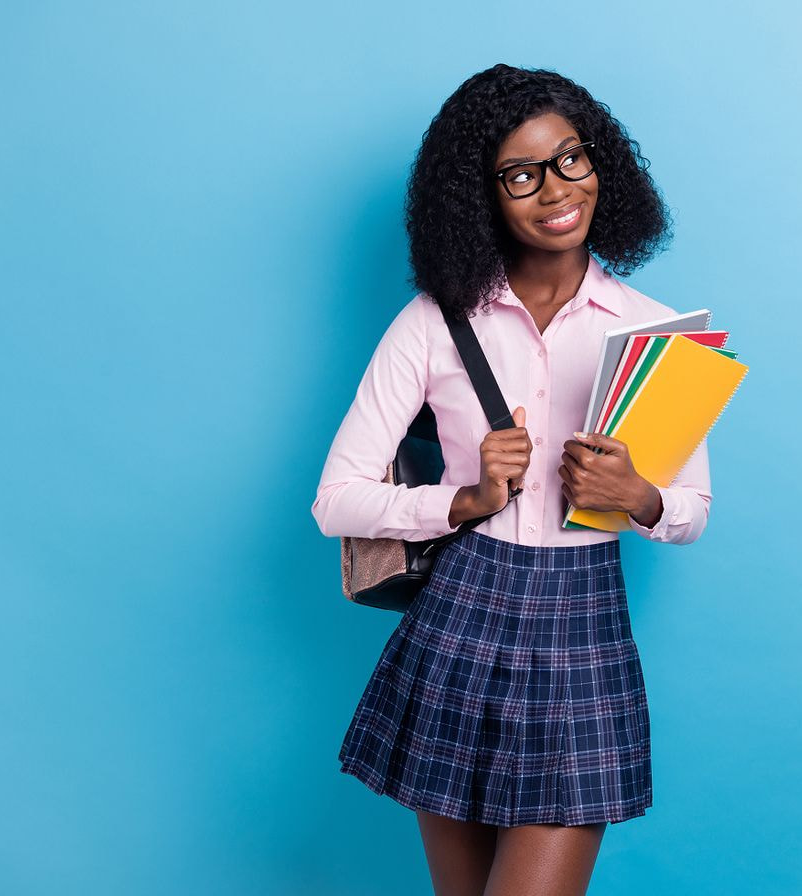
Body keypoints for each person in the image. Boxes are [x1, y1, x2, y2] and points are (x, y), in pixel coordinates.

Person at [311, 63, 713, 896]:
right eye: (521, 174)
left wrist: (635, 494)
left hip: (581, 627)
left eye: (572, 158)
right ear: (481, 196)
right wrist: (465, 499)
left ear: (601, 164)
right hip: (462, 616)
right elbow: (335, 500)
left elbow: (691, 513)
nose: (556, 189)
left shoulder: (652, 332)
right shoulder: (432, 323)